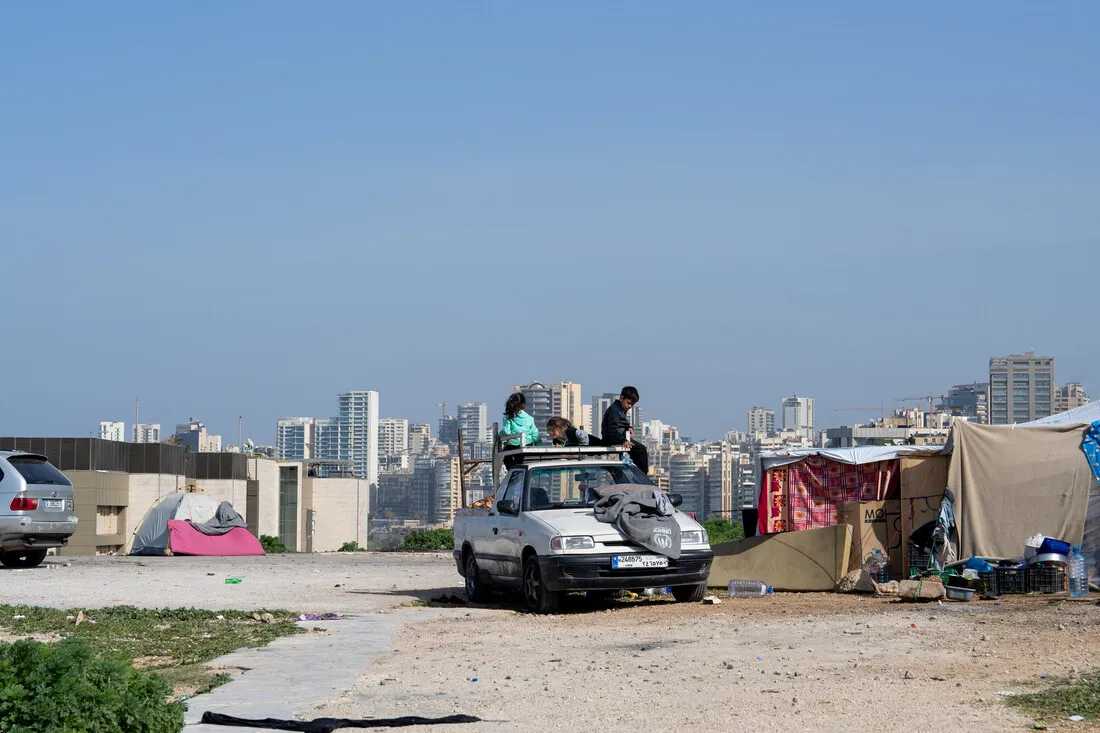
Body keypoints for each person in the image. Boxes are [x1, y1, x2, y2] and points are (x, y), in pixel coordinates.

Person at [601, 385, 649, 474]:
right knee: (641, 450)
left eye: (632, 404)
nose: (630, 406)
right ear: (621, 398)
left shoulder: (621, 408)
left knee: (637, 452)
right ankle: (642, 475)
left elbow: (622, 423)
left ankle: (638, 473)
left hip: (620, 438)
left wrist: (629, 427)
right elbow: (612, 429)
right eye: (628, 403)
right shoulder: (615, 409)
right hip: (613, 438)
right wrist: (623, 440)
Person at [499, 392, 539, 468]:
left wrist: (500, 435)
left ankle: (513, 471)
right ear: (523, 405)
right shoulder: (530, 418)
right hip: (528, 444)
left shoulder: (508, 417)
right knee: (520, 459)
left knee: (506, 456)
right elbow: (535, 434)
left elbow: (507, 432)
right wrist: (538, 445)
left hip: (514, 445)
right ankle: (518, 470)